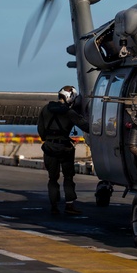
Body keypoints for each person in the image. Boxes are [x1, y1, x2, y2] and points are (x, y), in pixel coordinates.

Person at [37, 85, 89, 215]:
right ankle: (69, 205)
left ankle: (54, 206)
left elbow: (41, 130)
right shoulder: (69, 112)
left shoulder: (45, 109)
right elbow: (85, 126)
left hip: (49, 147)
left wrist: (49, 139)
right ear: (70, 98)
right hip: (65, 149)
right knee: (68, 177)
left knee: (52, 178)